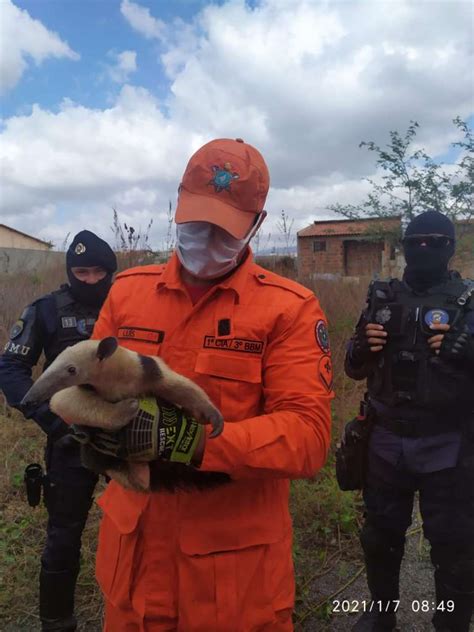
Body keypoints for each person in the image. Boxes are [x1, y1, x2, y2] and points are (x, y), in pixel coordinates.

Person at [87, 138, 333, 631]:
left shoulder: (289, 308)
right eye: (196, 220)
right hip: (132, 558)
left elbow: (307, 437)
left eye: (224, 229)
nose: (205, 237)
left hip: (230, 579)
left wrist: (190, 441)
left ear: (257, 226)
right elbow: (88, 387)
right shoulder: (128, 292)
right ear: (178, 201)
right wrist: (87, 423)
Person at [344, 210, 474, 632]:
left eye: (435, 242)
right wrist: (361, 346)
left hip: (450, 443)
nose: (424, 249)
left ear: (451, 247)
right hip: (385, 439)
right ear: (403, 247)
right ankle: (381, 617)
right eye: (415, 242)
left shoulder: (469, 301)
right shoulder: (383, 297)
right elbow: (352, 367)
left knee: (455, 547)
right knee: (380, 538)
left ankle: (451, 624)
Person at [0, 230, 117, 632]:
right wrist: (53, 421)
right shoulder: (47, 309)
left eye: (98, 271)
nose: (89, 280)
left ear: (110, 272)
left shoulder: (136, 305)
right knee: (64, 535)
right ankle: (57, 621)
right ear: (70, 272)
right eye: (80, 271)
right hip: (71, 438)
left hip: (131, 434)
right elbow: (11, 370)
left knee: (150, 525)